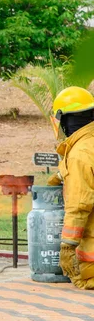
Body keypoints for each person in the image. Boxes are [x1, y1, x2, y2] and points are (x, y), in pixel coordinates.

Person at [50, 86, 94, 289]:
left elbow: (79, 204)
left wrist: (67, 247)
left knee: (83, 279)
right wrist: (62, 175)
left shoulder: (79, 155)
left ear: (64, 121)